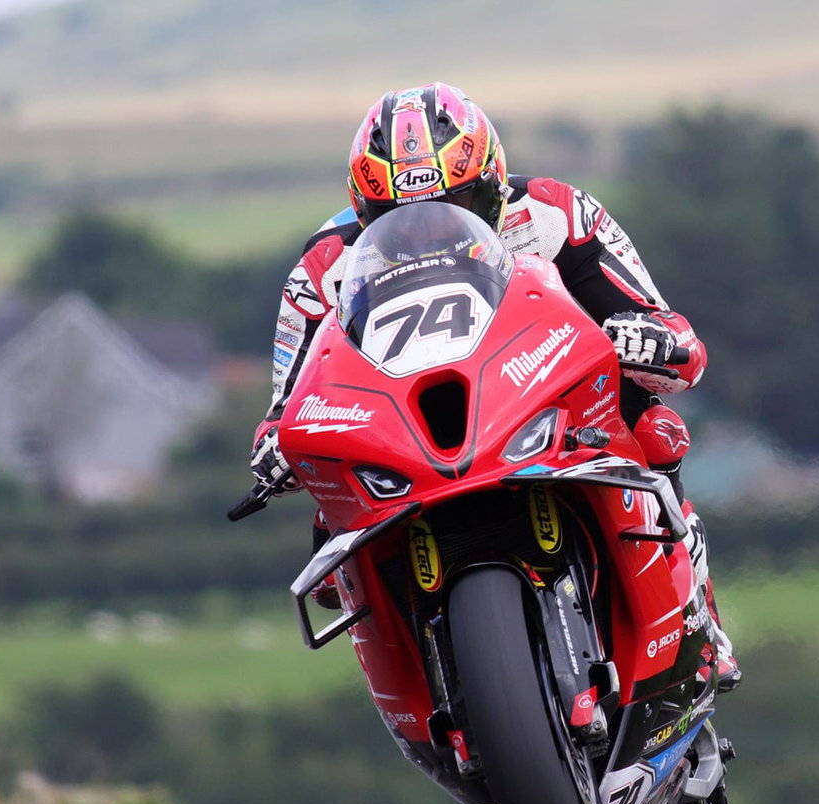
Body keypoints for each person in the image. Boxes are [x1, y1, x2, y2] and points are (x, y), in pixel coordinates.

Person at [250, 82, 738, 690]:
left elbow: (668, 330)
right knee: (329, 534)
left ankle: (697, 619)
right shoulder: (325, 265)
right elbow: (289, 398)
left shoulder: (556, 211)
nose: (430, 232)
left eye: (461, 204)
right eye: (397, 221)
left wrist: (651, 339)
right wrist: (276, 444)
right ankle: (415, 678)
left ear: (494, 182)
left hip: (538, 395)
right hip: (403, 426)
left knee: (653, 429)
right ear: (363, 209)